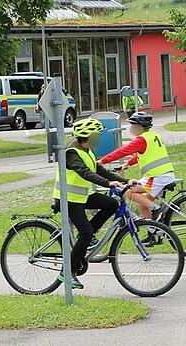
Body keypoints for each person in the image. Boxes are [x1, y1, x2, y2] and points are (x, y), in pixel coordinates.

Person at [53, 118, 132, 290]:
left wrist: (124, 181)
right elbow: (85, 172)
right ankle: (68, 273)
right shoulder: (71, 152)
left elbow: (99, 169)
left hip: (82, 196)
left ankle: (87, 238)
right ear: (88, 136)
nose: (99, 139)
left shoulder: (87, 149)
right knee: (86, 233)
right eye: (97, 135)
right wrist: (108, 184)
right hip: (68, 199)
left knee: (111, 204)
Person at [98, 112, 175, 223]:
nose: (130, 128)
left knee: (127, 190)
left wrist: (102, 161)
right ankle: (154, 232)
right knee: (142, 205)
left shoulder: (141, 140)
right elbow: (145, 154)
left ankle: (156, 208)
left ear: (138, 127)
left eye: (132, 125)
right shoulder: (153, 135)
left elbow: (122, 151)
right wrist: (127, 164)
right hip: (164, 174)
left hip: (157, 176)